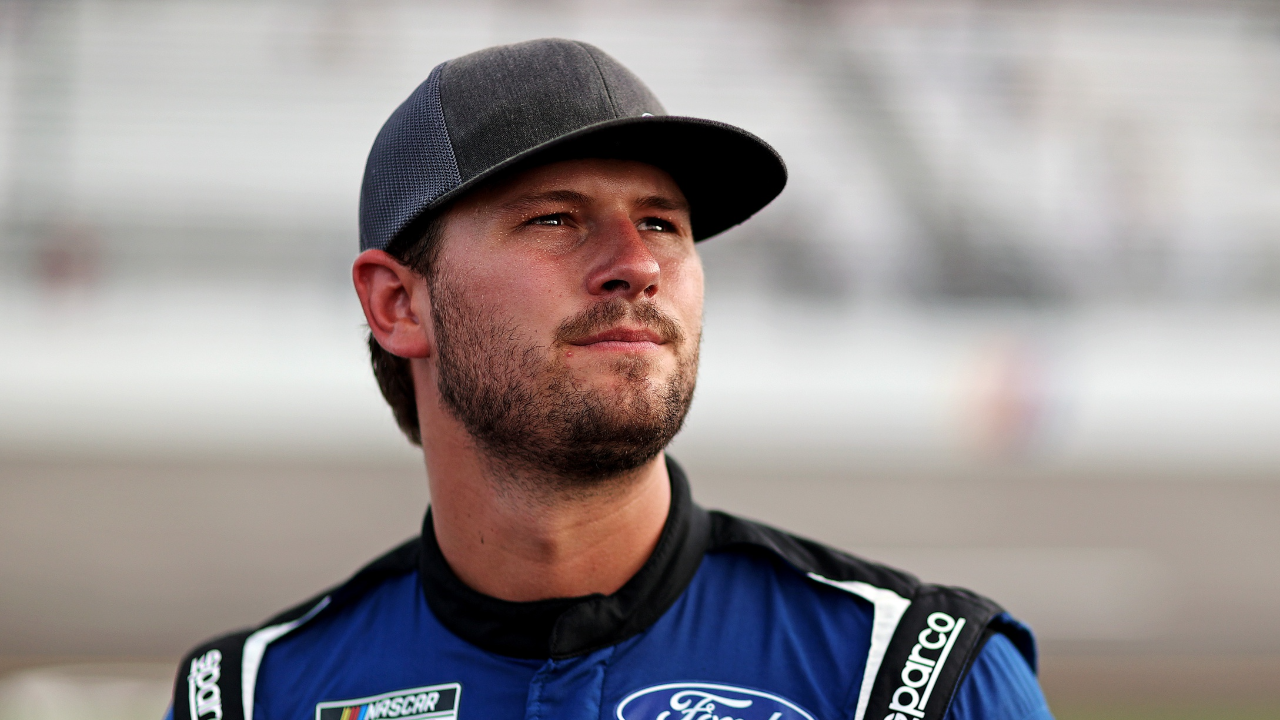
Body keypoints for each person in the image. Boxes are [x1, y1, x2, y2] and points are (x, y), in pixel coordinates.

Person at [167, 38, 1053, 720]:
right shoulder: (249, 697)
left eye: (664, 224)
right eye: (556, 218)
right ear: (398, 303)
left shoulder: (909, 678)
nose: (635, 265)